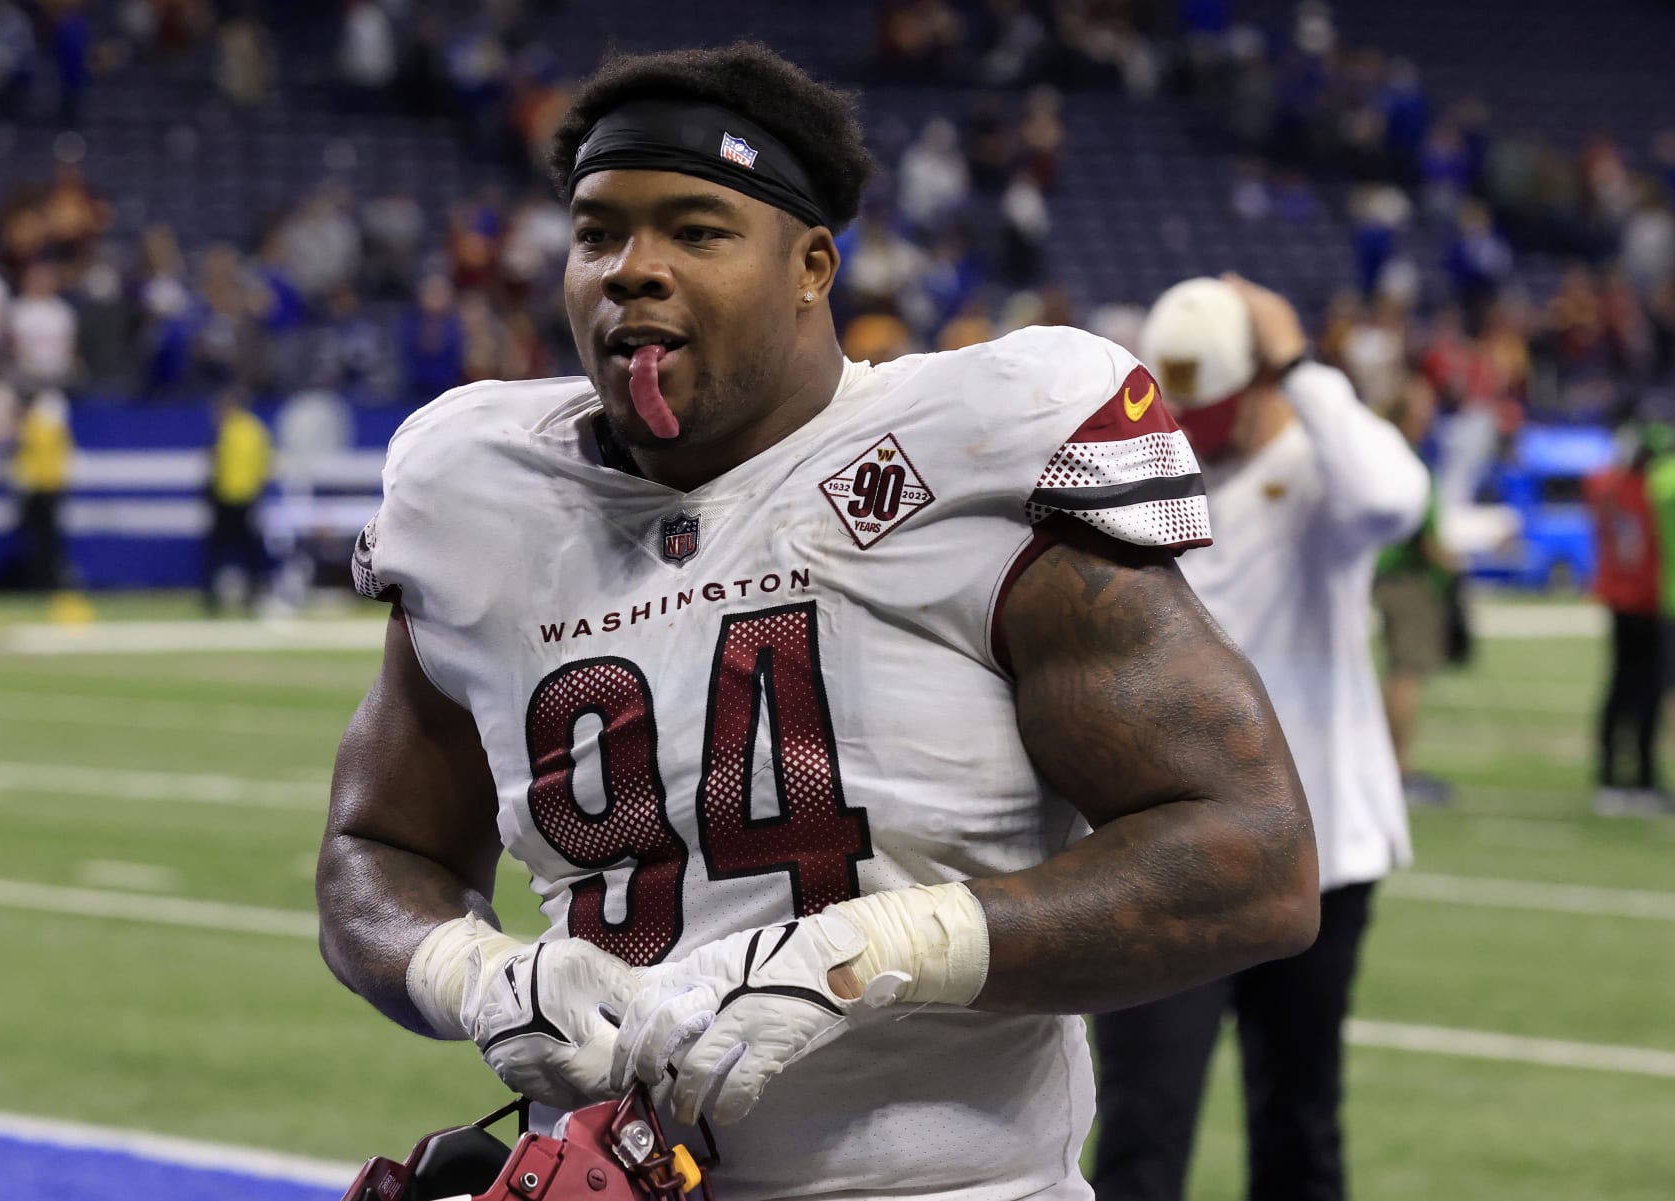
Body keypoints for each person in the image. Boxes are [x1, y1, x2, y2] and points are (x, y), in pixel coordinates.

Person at [316, 43, 1319, 1201]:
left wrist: (879, 952)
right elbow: (375, 851)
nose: (632, 272)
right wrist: (473, 971)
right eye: (598, 234)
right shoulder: (475, 490)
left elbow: (1253, 857)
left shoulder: (979, 447)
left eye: (696, 231)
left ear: (811, 265)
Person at [1095, 275, 1428, 1201]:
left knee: (1299, 1128)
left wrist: (1304, 369)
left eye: (1216, 406)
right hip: (1162, 860)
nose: (1193, 430)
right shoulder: (1149, 476)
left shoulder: (1325, 485)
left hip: (1314, 854)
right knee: (1138, 1135)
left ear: (1261, 383)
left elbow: (1400, 496)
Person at [1373, 375, 1460, 807]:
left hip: (1387, 577)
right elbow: (1423, 537)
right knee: (1407, 674)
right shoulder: (1407, 465)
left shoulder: (1381, 459)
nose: (1428, 420)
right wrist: (1452, 563)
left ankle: (1393, 765)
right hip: (1409, 579)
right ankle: (1398, 768)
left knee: (1398, 673)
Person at [1593, 425, 1669, 814]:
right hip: (1646, 599)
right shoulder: (1652, 490)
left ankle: (1608, 774)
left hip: (1617, 595)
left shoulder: (1607, 486)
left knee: (1620, 687)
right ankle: (1640, 777)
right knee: (1646, 691)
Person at [203, 387, 273, 613]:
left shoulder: (232, 430)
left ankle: (221, 595)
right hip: (241, 499)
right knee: (244, 551)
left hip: (232, 499)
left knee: (227, 551)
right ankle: (249, 593)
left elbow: (217, 464)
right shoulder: (253, 429)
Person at [13, 388, 74, 591]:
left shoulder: (40, 428)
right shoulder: (38, 428)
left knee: (45, 539)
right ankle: (43, 579)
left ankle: (45, 578)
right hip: (42, 489)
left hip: (45, 488)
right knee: (43, 539)